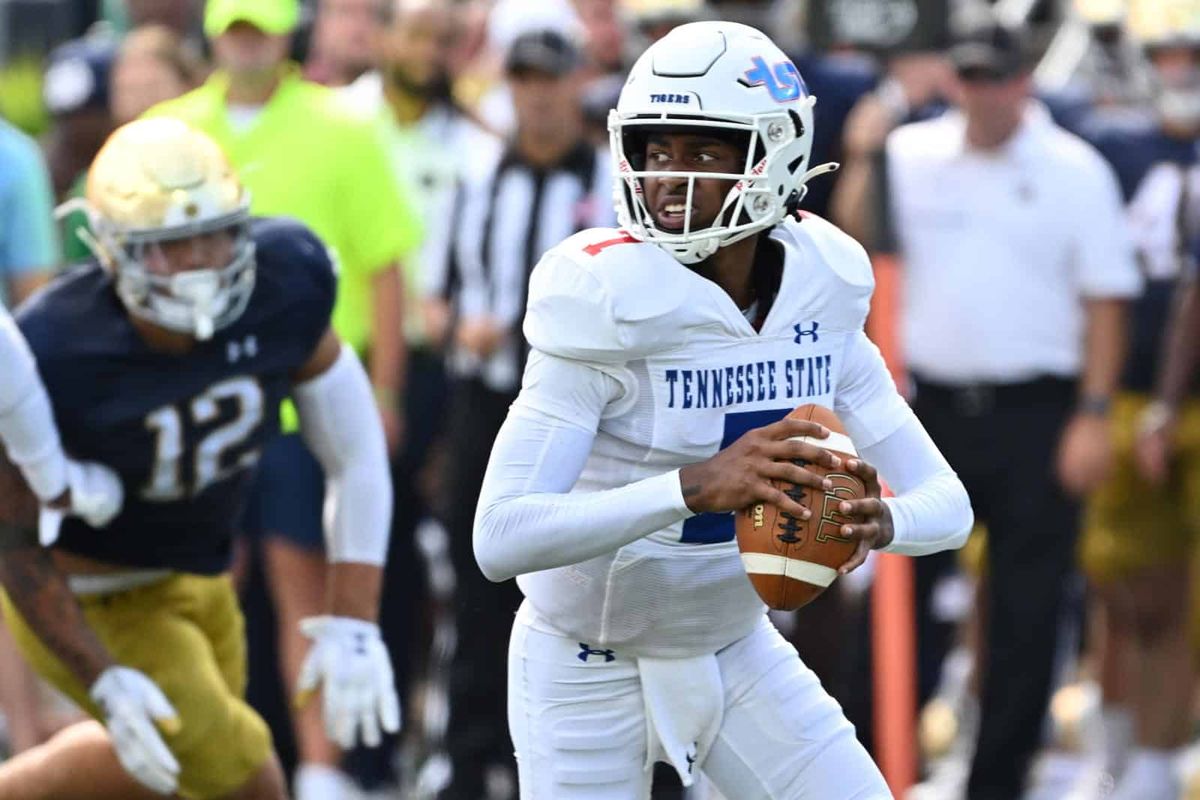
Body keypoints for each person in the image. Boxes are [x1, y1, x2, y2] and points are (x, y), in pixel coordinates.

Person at [472, 21, 974, 798]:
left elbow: (948, 507)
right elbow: (499, 537)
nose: (669, 176)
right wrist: (692, 487)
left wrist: (881, 523)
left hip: (733, 644)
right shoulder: (602, 297)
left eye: (704, 150)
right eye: (655, 149)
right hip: (584, 660)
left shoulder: (823, 282)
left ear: (777, 152)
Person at [0, 117, 399, 800]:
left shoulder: (284, 281)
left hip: (206, 571)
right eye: (169, 246)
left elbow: (355, 453)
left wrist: (355, 617)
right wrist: (98, 671)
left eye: (214, 235)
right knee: (249, 778)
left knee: (173, 771)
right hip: (98, 596)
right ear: (111, 250)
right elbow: (12, 539)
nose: (199, 264)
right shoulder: (55, 347)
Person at [840, 18, 1141, 800]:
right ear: (954, 82)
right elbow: (850, 241)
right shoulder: (910, 153)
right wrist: (866, 148)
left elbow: (1106, 298)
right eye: (968, 78)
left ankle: (997, 781)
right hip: (929, 407)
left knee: (1028, 608)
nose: (981, 95)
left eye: (995, 79)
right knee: (899, 590)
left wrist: (1094, 411)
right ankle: (872, 770)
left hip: (1038, 409)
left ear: (1024, 82)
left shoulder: (1075, 168)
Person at [146, 1, 420, 793]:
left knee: (304, 590)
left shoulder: (343, 124)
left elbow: (385, 268)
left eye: (257, 25)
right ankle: (200, 764)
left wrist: (391, 393)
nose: (245, 40)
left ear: (286, 31)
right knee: (197, 597)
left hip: (313, 408)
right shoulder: (171, 130)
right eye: (233, 26)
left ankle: (322, 775)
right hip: (194, 408)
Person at [437, 26, 614, 799]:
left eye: (551, 78)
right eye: (523, 79)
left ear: (578, 82)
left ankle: (564, 757)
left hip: (588, 417)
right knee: (477, 579)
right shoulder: (478, 176)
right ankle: (470, 759)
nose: (537, 94)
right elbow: (441, 289)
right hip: (487, 397)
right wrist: (455, 327)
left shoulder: (613, 182)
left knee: (579, 582)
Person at [1079, 11, 1200, 800]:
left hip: (1161, 396)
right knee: (1125, 586)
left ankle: (1149, 755)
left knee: (1176, 595)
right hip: (1132, 394)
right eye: (1169, 56)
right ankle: (1118, 747)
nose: (1179, 69)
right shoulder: (1105, 147)